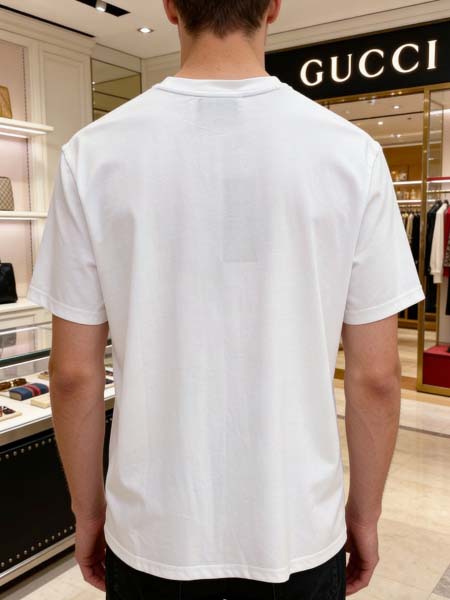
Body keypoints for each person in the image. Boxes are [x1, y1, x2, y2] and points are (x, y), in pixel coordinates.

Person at [26, 0, 425, 598]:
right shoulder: (351, 154)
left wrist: (87, 514)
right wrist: (364, 517)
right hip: (297, 529)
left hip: (153, 532)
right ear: (273, 7)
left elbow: (74, 374)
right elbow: (377, 377)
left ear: (170, 7)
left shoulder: (93, 154)